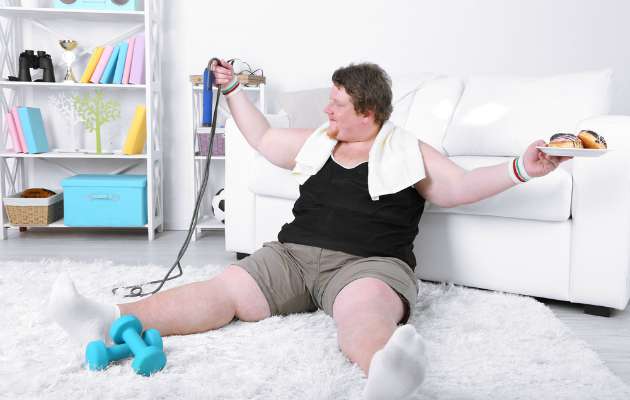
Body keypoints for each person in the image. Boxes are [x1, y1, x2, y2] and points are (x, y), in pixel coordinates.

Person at [48, 60, 571, 399]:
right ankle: (106, 320)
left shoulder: (409, 149)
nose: (327, 109)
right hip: (292, 256)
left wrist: (521, 168)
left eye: (337, 103)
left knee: (361, 315)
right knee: (223, 290)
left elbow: (458, 186)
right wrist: (233, 89)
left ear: (367, 112)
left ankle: (385, 377)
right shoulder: (319, 140)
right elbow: (262, 138)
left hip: (368, 266)